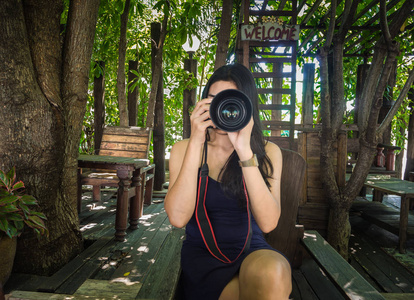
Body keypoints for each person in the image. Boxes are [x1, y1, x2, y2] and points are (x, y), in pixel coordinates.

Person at [164, 63, 291, 299]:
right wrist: (196, 142)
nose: (223, 110)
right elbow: (178, 218)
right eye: (213, 100)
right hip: (203, 255)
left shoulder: (267, 152)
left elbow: (268, 223)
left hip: (251, 250)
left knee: (273, 273)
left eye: (231, 101)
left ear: (247, 106)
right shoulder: (184, 149)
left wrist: (244, 150)